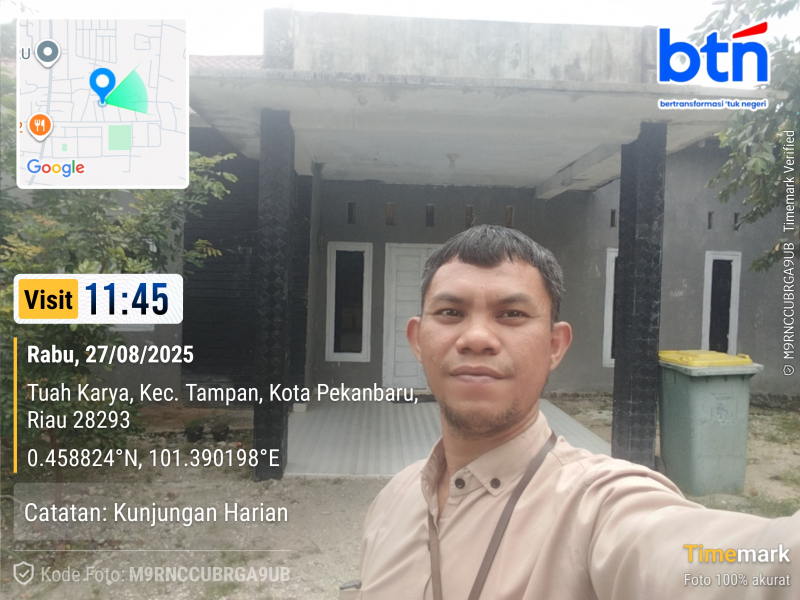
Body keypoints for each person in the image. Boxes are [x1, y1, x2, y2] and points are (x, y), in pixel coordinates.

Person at [340, 225, 799, 600]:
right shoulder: (394, 500)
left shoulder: (596, 507)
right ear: (417, 340)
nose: (476, 337)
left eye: (512, 314)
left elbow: (746, 563)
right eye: (450, 312)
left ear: (555, 345)